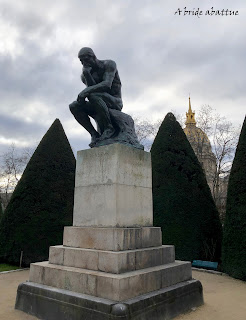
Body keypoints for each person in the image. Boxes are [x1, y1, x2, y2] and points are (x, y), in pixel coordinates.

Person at [69, 47, 123, 147]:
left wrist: (86, 91)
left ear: (93, 57)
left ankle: (109, 128)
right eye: (82, 61)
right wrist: (87, 74)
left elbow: (107, 85)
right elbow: (92, 88)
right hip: (97, 101)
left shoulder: (109, 64)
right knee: (74, 106)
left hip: (115, 101)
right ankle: (94, 134)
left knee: (92, 94)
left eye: (86, 59)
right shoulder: (85, 74)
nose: (84, 63)